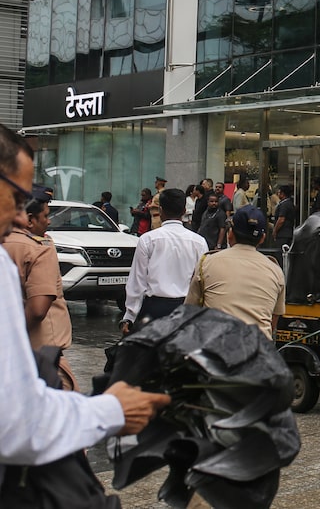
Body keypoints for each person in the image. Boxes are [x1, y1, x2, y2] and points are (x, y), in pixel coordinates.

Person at [0, 123, 170, 482]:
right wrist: (110, 409)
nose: (21, 216)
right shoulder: (34, 247)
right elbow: (17, 424)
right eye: (17, 197)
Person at [4, 188, 78, 390]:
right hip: (42, 354)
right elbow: (38, 309)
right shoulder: (39, 248)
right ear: (29, 220)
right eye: (45, 216)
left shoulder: (5, 244)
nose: (49, 221)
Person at [186, 205, 286, 340]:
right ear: (262, 238)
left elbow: (190, 312)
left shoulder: (207, 263)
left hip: (214, 349)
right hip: (257, 352)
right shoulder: (275, 271)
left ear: (230, 234)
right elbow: (273, 320)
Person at [121, 188, 209, 335]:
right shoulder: (199, 242)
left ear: (160, 210)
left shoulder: (147, 240)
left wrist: (130, 316)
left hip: (153, 310)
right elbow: (203, 280)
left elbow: (137, 282)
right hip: (186, 310)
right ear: (183, 211)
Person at [273, 184, 296, 248]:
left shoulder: (284, 205)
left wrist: (275, 230)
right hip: (288, 233)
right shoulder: (289, 203)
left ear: (283, 194)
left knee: (280, 252)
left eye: (279, 192)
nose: (278, 194)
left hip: (283, 234)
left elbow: (281, 220)